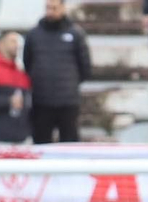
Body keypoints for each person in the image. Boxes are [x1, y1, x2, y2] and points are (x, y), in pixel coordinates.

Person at [25, 0, 93, 143]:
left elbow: (85, 68)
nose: (50, 12)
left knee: (69, 145)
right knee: (41, 143)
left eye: (54, 8)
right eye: (48, 8)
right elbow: (28, 63)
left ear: (63, 8)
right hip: (41, 100)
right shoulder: (34, 35)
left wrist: (70, 84)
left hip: (68, 101)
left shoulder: (76, 34)